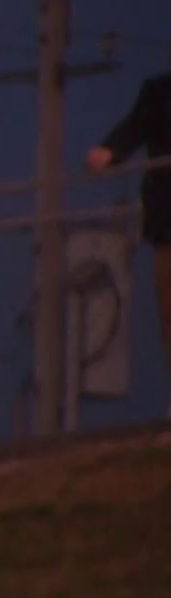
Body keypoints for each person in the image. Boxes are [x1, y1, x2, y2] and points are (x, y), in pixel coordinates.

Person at [85, 72, 170, 415]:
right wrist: (111, 150)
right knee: (170, 313)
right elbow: (137, 125)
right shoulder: (161, 92)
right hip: (169, 227)